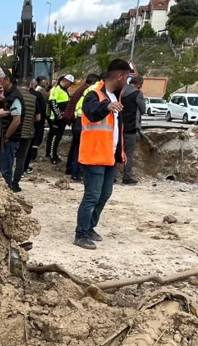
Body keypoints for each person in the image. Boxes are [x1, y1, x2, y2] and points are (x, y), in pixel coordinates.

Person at [74, 58, 132, 250]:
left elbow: (116, 129)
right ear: (120, 76)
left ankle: (90, 227)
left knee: (104, 194)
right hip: (93, 155)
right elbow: (91, 112)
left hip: (108, 156)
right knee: (92, 195)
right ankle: (81, 234)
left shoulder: (116, 96)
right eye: (127, 77)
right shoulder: (94, 95)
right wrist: (105, 107)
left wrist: (120, 151)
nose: (128, 82)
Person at [64, 73, 99, 178]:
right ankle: (75, 173)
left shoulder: (82, 90)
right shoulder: (88, 91)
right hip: (81, 122)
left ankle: (70, 169)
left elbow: (73, 104)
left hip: (77, 122)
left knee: (75, 148)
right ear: (93, 82)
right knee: (79, 149)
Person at [0, 68, 25, 190]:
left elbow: (16, 120)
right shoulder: (7, 96)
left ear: (7, 80)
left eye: (0, 81)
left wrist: (6, 137)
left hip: (10, 139)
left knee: (5, 170)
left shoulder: (15, 97)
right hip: (5, 138)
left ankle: (6, 195)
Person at [13, 78, 40, 192]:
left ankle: (6, 181)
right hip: (27, 133)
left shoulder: (14, 96)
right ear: (29, 86)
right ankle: (15, 183)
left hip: (14, 132)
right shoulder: (34, 98)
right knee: (21, 159)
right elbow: (38, 117)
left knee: (9, 158)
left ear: (17, 86)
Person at [121, 75, 145, 185]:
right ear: (139, 84)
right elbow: (143, 109)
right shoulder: (137, 94)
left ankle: (111, 176)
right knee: (128, 153)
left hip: (118, 126)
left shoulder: (121, 91)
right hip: (130, 127)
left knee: (114, 150)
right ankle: (126, 177)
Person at [45, 74, 74, 164]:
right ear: (66, 81)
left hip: (62, 118)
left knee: (57, 137)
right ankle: (52, 155)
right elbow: (52, 102)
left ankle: (52, 153)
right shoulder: (56, 89)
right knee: (55, 137)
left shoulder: (64, 90)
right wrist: (58, 114)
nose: (70, 86)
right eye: (70, 83)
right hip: (56, 119)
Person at [28, 77, 49, 166]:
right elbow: (42, 107)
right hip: (38, 119)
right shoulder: (39, 93)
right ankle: (32, 155)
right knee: (37, 138)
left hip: (30, 120)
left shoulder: (27, 93)